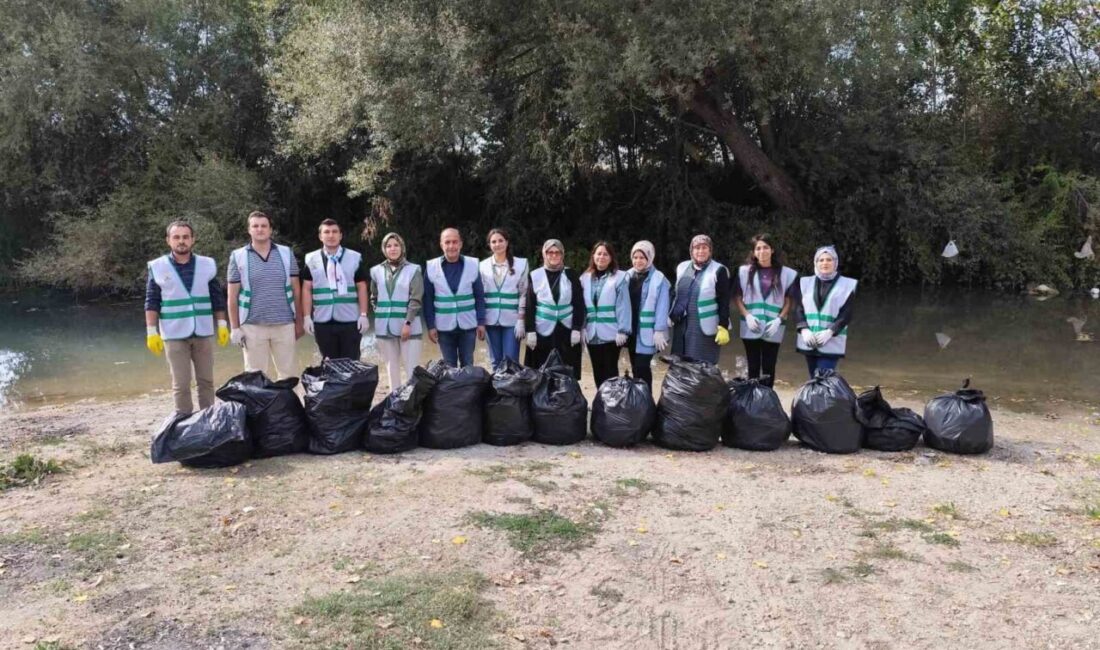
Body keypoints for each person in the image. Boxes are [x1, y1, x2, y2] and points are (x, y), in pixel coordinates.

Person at [144, 220, 229, 415]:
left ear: (192, 240)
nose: (181, 241)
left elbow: (217, 297)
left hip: (203, 332)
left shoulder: (207, 264)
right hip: (173, 334)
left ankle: (208, 419)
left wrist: (222, 324)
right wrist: (151, 331)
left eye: (185, 237)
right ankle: (183, 423)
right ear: (168, 240)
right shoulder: (158, 266)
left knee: (206, 381)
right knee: (181, 384)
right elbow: (152, 301)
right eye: (176, 237)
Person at [227, 211, 304, 380]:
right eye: (255, 226)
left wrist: (300, 321)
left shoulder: (285, 253)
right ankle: (258, 408)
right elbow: (232, 296)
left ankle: (289, 407)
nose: (260, 229)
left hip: (284, 324)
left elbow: (296, 290)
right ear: (249, 230)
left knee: (289, 375)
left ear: (270, 230)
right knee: (255, 377)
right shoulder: (238, 256)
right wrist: (234, 328)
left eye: (264, 226)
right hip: (251, 326)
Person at [734, 233, 798, 386]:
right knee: (753, 366)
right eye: (758, 248)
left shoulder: (786, 273)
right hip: (751, 325)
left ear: (772, 250)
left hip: (774, 326)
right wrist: (747, 316)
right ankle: (753, 402)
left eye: (766, 247)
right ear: (754, 252)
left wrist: (779, 319)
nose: (762, 251)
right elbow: (737, 297)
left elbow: (789, 301)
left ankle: (767, 400)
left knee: (769, 367)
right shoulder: (743, 272)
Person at [301, 219, 369, 360]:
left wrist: (363, 314)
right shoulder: (311, 259)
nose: (331, 235)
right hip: (322, 321)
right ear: (320, 236)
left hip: (350, 320)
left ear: (340, 235)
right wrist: (307, 317)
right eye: (326, 232)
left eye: (334, 232)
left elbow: (362, 287)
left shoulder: (354, 258)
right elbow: (307, 289)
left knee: (352, 362)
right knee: (328, 364)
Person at [424, 228, 487, 367]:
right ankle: (452, 389)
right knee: (449, 366)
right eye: (447, 242)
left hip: (468, 324)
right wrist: (430, 326)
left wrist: (481, 322)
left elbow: (479, 296)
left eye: (454, 242)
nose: (451, 246)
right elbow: (427, 299)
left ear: (460, 244)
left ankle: (468, 389)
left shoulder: (472, 264)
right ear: (441, 245)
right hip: (443, 326)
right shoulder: (431, 267)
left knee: (468, 364)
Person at [370, 232, 425, 392]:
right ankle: (395, 404)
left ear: (402, 247)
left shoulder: (414, 270)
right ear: (384, 249)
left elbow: (416, 299)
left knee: (411, 370)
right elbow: (374, 297)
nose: (392, 248)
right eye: (388, 246)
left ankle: (412, 405)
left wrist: (408, 322)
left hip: (409, 327)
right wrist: (380, 314)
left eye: (396, 245)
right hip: (383, 328)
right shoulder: (375, 271)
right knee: (391, 369)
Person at [524, 239, 585, 379]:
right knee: (541, 370)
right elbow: (530, 305)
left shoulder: (571, 274)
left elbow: (578, 303)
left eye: (557, 252)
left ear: (562, 254)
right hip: (542, 330)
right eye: (550, 252)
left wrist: (576, 328)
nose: (554, 255)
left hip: (566, 329)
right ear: (544, 254)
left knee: (566, 369)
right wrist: (530, 331)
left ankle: (565, 399)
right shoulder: (535, 275)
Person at [793, 245, 857, 377]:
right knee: (813, 378)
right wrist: (804, 329)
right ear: (815, 263)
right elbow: (798, 308)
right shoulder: (804, 282)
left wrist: (830, 331)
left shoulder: (846, 284)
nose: (825, 263)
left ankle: (822, 398)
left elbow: (847, 313)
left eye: (829, 259)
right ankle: (815, 398)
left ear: (836, 262)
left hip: (831, 340)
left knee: (823, 378)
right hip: (810, 340)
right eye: (821, 260)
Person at [669, 234, 731, 364]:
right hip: (682, 326)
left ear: (710, 250)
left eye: (704, 248)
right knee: (680, 364)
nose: (700, 251)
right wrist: (669, 315)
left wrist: (723, 325)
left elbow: (724, 300)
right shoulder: (682, 267)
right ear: (691, 250)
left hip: (704, 328)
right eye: (697, 248)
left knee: (702, 366)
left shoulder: (719, 270)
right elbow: (675, 294)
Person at [580, 241, 632, 388]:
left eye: (605, 254)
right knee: (597, 371)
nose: (601, 257)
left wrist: (623, 330)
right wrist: (581, 327)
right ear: (593, 256)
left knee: (610, 371)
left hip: (612, 333)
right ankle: (601, 404)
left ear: (611, 258)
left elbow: (624, 305)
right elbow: (583, 306)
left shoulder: (619, 277)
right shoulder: (585, 278)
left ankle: (612, 405)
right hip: (591, 334)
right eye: (599, 253)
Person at [479, 228, 528, 369]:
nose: (497, 244)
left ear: (507, 242)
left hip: (512, 320)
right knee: (495, 361)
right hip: (490, 320)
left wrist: (521, 320)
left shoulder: (521, 264)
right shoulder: (482, 266)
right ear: (489, 244)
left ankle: (512, 390)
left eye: (501, 240)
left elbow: (523, 293)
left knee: (511, 361)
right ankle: (497, 390)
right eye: (493, 241)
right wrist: (480, 321)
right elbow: (480, 297)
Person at [624, 240, 670, 389]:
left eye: (642, 257)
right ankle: (639, 400)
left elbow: (663, 306)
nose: (638, 261)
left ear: (649, 258)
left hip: (648, 332)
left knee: (642, 367)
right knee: (635, 368)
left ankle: (647, 400)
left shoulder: (659, 278)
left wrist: (660, 330)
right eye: (635, 257)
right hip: (631, 331)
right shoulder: (626, 276)